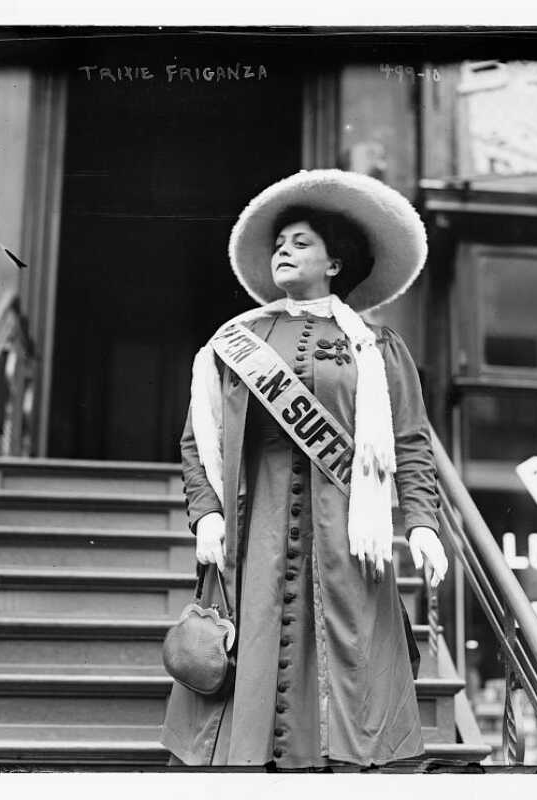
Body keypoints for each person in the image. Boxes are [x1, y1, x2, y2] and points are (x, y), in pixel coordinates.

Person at [161, 169, 449, 770]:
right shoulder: (236, 342)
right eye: (279, 244)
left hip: (347, 536)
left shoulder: (378, 347)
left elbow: (410, 442)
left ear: (334, 263)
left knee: (351, 670)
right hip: (255, 534)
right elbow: (199, 437)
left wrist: (422, 522)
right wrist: (206, 513)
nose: (283, 252)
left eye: (300, 242)